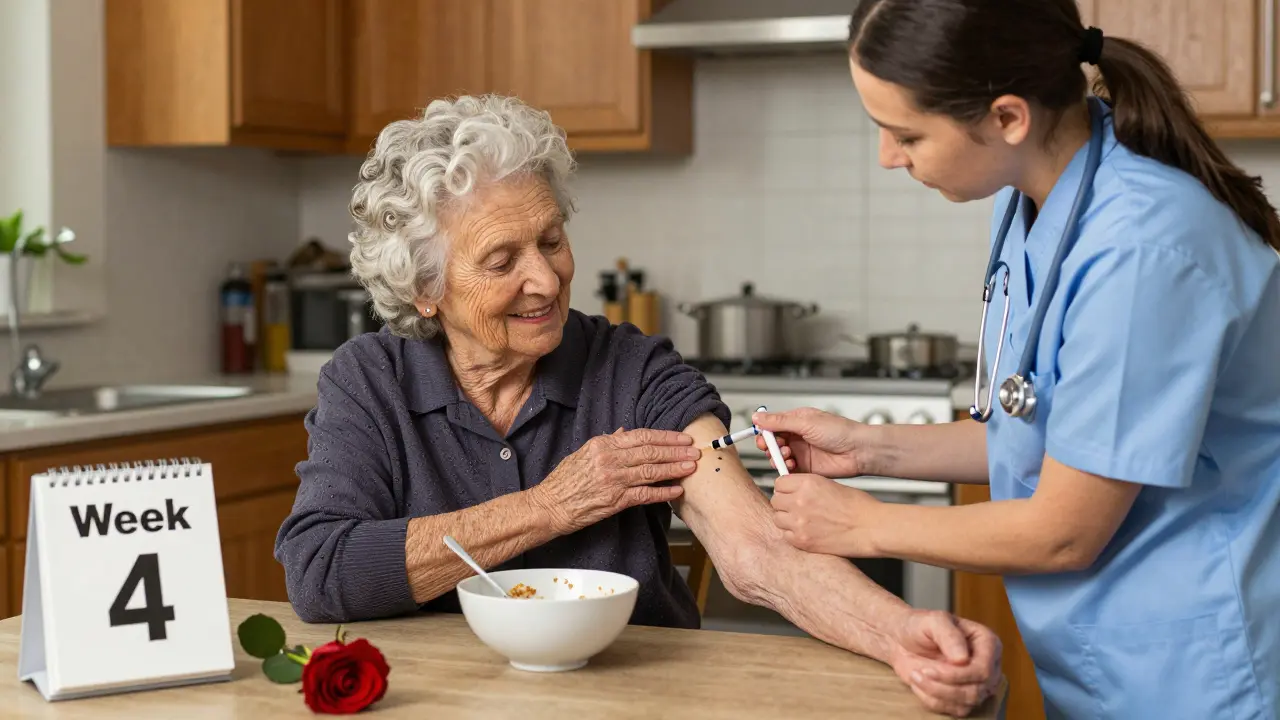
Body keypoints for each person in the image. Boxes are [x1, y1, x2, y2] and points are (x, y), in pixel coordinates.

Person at [273, 94, 1003, 716]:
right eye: (503, 261)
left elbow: (755, 549)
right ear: (425, 292)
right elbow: (320, 570)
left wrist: (902, 633)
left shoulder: (630, 368)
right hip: (437, 702)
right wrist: (554, 505)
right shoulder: (369, 382)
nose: (547, 279)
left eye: (552, 240)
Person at [752, 1, 1280, 718]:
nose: (887, 156)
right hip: (1113, 663)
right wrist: (867, 446)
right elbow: (1044, 431)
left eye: (905, 132)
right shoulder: (1038, 204)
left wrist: (860, 525)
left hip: (1205, 670)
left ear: (1007, 118)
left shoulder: (1143, 250)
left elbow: (1064, 528)